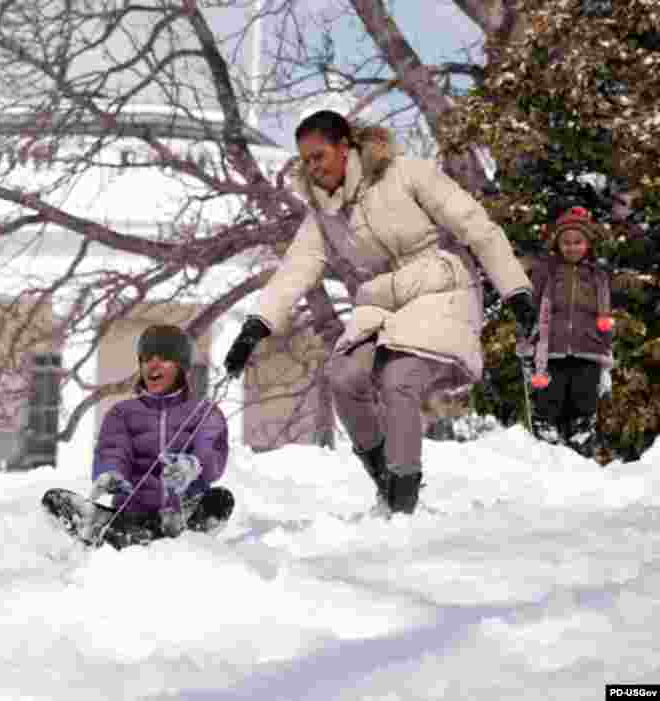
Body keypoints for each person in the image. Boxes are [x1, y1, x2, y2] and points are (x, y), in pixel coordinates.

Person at [223, 109, 535, 515]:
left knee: (398, 378)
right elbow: (296, 268)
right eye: (305, 160)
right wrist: (255, 326)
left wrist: (515, 291)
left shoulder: (407, 173)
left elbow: (478, 227)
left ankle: (404, 502)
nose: (313, 168)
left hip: (441, 288)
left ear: (345, 147)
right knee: (342, 377)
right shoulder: (323, 213)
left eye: (319, 156)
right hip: (383, 301)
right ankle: (386, 480)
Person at [42, 324, 233, 548]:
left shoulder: (205, 412)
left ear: (181, 366)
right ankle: (116, 528)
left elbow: (211, 452)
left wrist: (193, 465)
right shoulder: (122, 414)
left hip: (184, 512)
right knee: (55, 499)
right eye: (146, 359)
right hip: (133, 513)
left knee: (220, 500)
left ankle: (153, 535)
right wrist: (110, 473)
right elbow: (113, 450)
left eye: (163, 358)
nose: (153, 364)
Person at [519, 206, 614, 458]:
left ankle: (581, 441)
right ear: (558, 244)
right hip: (552, 349)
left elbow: (604, 312)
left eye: (578, 242)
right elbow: (533, 306)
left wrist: (606, 344)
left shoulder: (596, 275)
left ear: (588, 244)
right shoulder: (547, 272)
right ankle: (547, 443)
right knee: (550, 397)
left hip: (588, 348)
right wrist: (527, 338)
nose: (572, 248)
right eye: (566, 243)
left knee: (584, 398)